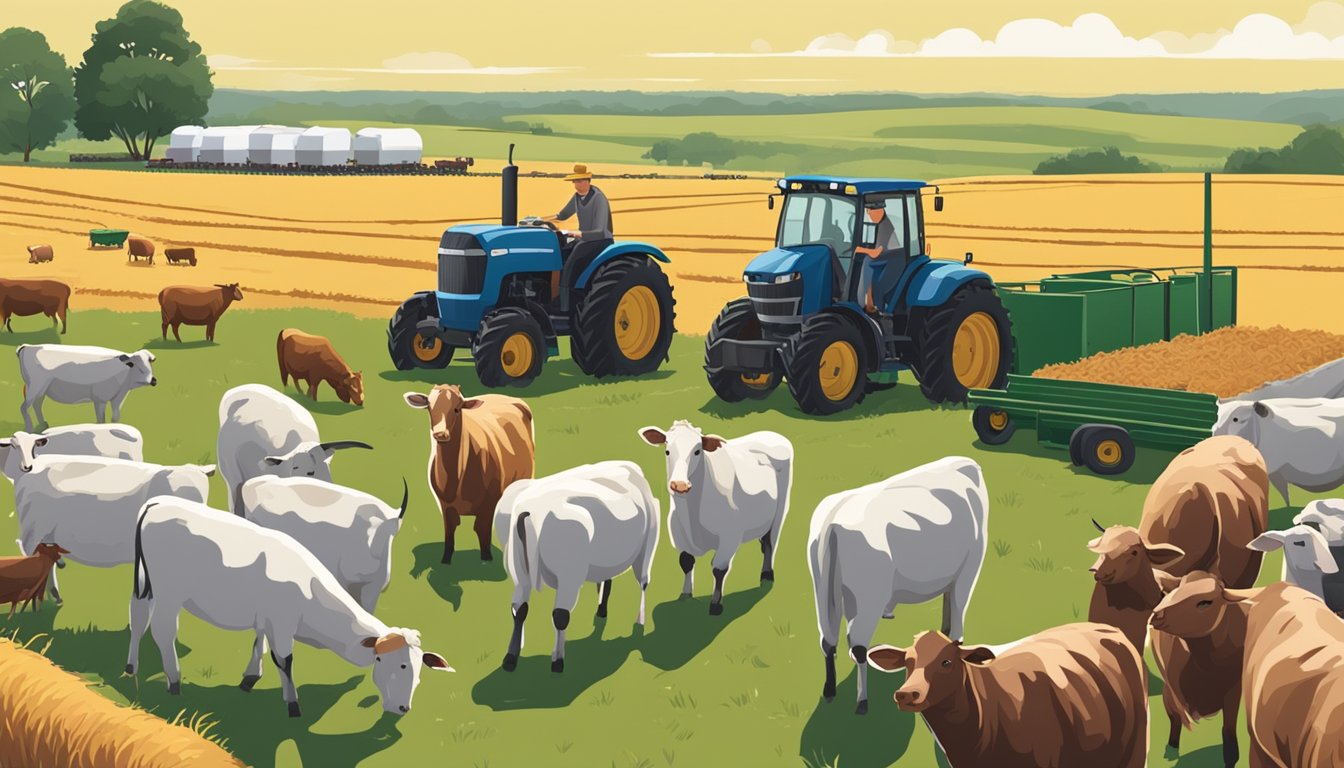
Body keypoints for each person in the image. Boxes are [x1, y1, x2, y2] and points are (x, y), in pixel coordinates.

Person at [545, 163, 613, 311]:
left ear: (588, 181)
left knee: (571, 262)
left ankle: (565, 306)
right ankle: (554, 295)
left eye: (581, 181)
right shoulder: (577, 197)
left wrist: (578, 233)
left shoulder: (598, 198)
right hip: (583, 238)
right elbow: (562, 215)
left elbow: (600, 231)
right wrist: (543, 220)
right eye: (575, 181)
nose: (578, 184)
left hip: (599, 240)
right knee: (561, 251)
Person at [854, 199, 904, 314]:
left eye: (875, 211)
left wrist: (858, 249)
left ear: (882, 210)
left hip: (895, 259)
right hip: (885, 257)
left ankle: (868, 305)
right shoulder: (877, 225)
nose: (871, 214)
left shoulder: (885, 226)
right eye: (870, 211)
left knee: (868, 263)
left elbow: (876, 252)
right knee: (865, 261)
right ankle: (866, 302)